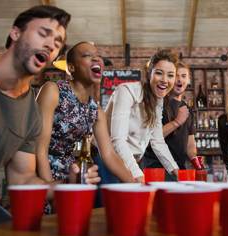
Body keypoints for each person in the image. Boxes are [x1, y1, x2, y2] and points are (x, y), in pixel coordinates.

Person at [0, 5, 99, 232]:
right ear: (15, 33)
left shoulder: (30, 114)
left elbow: (23, 180)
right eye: (44, 33)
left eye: (58, 42)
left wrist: (67, 185)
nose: (51, 44)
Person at [35, 41, 134, 185]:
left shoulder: (95, 110)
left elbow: (109, 155)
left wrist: (136, 185)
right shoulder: (53, 91)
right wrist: (50, 191)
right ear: (71, 67)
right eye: (87, 55)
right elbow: (39, 148)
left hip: (71, 178)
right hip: (41, 176)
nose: (96, 59)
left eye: (98, 56)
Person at [105, 49, 180, 182]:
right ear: (149, 73)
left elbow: (157, 140)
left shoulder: (158, 100)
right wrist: (137, 174)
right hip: (108, 160)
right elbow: (117, 140)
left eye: (170, 75)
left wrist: (175, 170)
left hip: (132, 161)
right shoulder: (126, 91)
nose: (164, 80)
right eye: (158, 73)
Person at [142, 61, 197, 173]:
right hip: (157, 168)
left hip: (178, 168)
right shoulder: (158, 103)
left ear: (188, 80)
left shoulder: (188, 110)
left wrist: (196, 163)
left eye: (183, 76)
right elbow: (149, 137)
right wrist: (176, 122)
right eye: (176, 75)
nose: (180, 80)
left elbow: (190, 145)